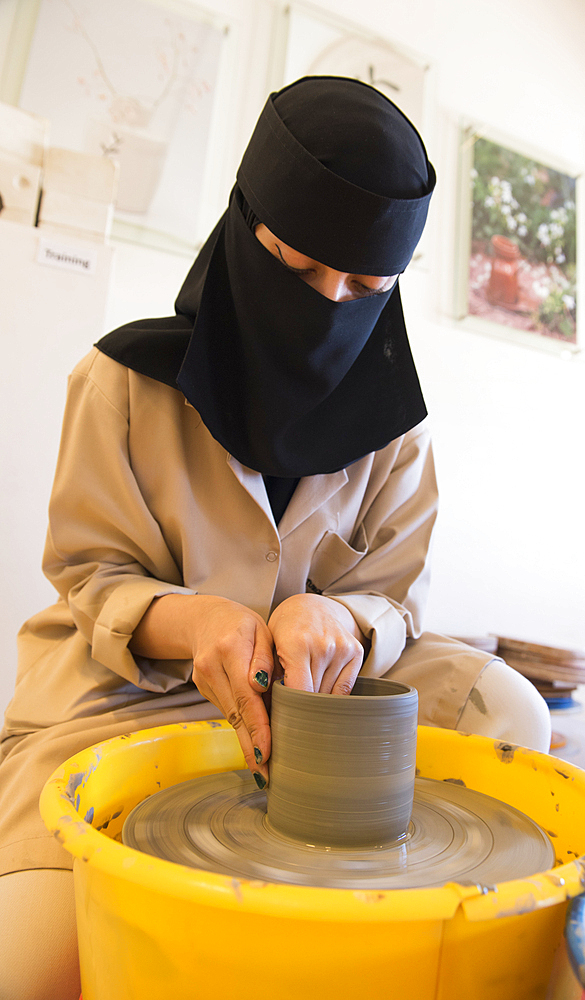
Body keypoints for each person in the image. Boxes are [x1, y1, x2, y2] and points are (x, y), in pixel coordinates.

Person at [0, 76, 550, 1000]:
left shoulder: (397, 431)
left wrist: (338, 617)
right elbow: (89, 572)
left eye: (367, 286)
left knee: (515, 715)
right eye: (297, 269)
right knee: (37, 966)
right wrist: (193, 620)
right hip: (130, 695)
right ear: (242, 227)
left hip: (332, 698)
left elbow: (397, 596)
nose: (331, 304)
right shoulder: (121, 383)